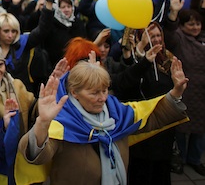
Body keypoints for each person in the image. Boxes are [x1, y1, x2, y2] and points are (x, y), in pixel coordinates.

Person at [17, 60, 188, 185]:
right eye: (94, 93)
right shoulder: (62, 124)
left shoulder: (118, 114)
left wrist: (176, 93)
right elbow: (37, 156)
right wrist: (43, 122)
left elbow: (153, 115)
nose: (102, 98)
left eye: (105, 90)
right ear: (74, 92)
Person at [164, 0, 205, 175]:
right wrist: (173, 14)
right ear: (182, 25)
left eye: (197, 23)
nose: (195, 27)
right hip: (186, 90)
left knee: (200, 130)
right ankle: (178, 158)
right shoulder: (178, 38)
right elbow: (169, 35)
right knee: (181, 128)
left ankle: (195, 159)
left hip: (202, 93)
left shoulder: (202, 39)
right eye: (191, 24)